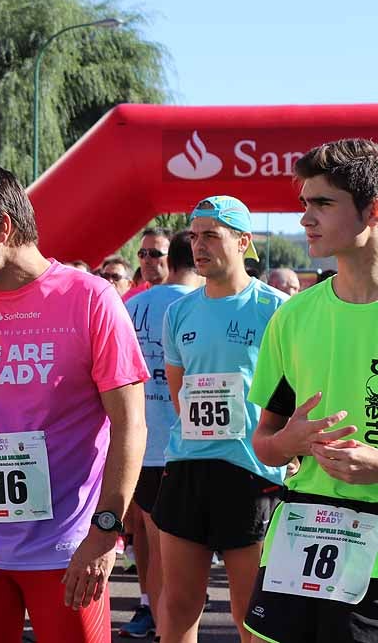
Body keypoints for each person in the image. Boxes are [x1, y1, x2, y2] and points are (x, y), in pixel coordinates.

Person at [0, 164, 148, 643]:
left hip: (66, 547)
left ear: (1, 227)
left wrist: (105, 531)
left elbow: (131, 425)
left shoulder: (90, 299)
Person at [243, 139, 378, 643]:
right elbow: (265, 441)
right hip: (300, 533)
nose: (305, 219)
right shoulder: (293, 316)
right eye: (304, 204)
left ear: (372, 210)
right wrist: (289, 444)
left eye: (322, 203)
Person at [154, 196, 287, 643]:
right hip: (188, 466)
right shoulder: (179, 312)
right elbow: (179, 395)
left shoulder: (276, 309)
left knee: (249, 613)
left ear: (243, 241)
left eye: (211, 235)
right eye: (195, 236)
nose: (199, 245)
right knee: (178, 604)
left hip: (251, 471)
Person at [118, 232, 202, 639]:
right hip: (192, 447)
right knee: (187, 553)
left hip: (143, 446)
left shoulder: (130, 306)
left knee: (151, 541)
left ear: (170, 261)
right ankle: (171, 626)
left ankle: (154, 614)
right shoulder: (199, 307)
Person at [124, 228, 172, 302]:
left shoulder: (183, 297)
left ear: (172, 258)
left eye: (154, 253)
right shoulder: (129, 299)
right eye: (142, 254)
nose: (146, 260)